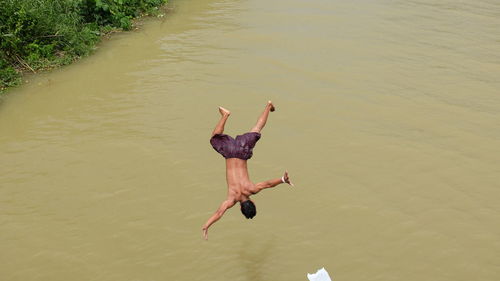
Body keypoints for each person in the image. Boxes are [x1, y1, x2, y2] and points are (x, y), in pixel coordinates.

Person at [202, 101, 293, 240]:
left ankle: (269, 106)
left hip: (243, 150)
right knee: (214, 138)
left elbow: (267, 184)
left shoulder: (252, 189)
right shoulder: (231, 199)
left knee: (257, 128)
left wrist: (282, 180)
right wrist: (207, 225)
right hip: (229, 152)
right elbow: (219, 213)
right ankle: (225, 115)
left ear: (253, 203)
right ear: (240, 208)